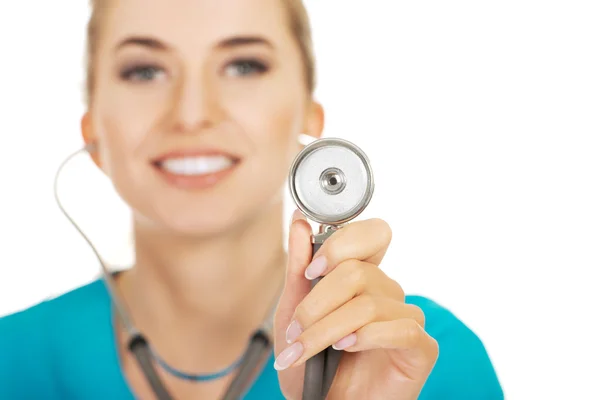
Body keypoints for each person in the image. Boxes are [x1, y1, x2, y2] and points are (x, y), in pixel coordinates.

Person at [0, 0, 504, 398]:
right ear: (94, 133)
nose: (192, 113)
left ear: (310, 123)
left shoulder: (426, 363)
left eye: (243, 65)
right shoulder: (10, 362)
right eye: (145, 71)